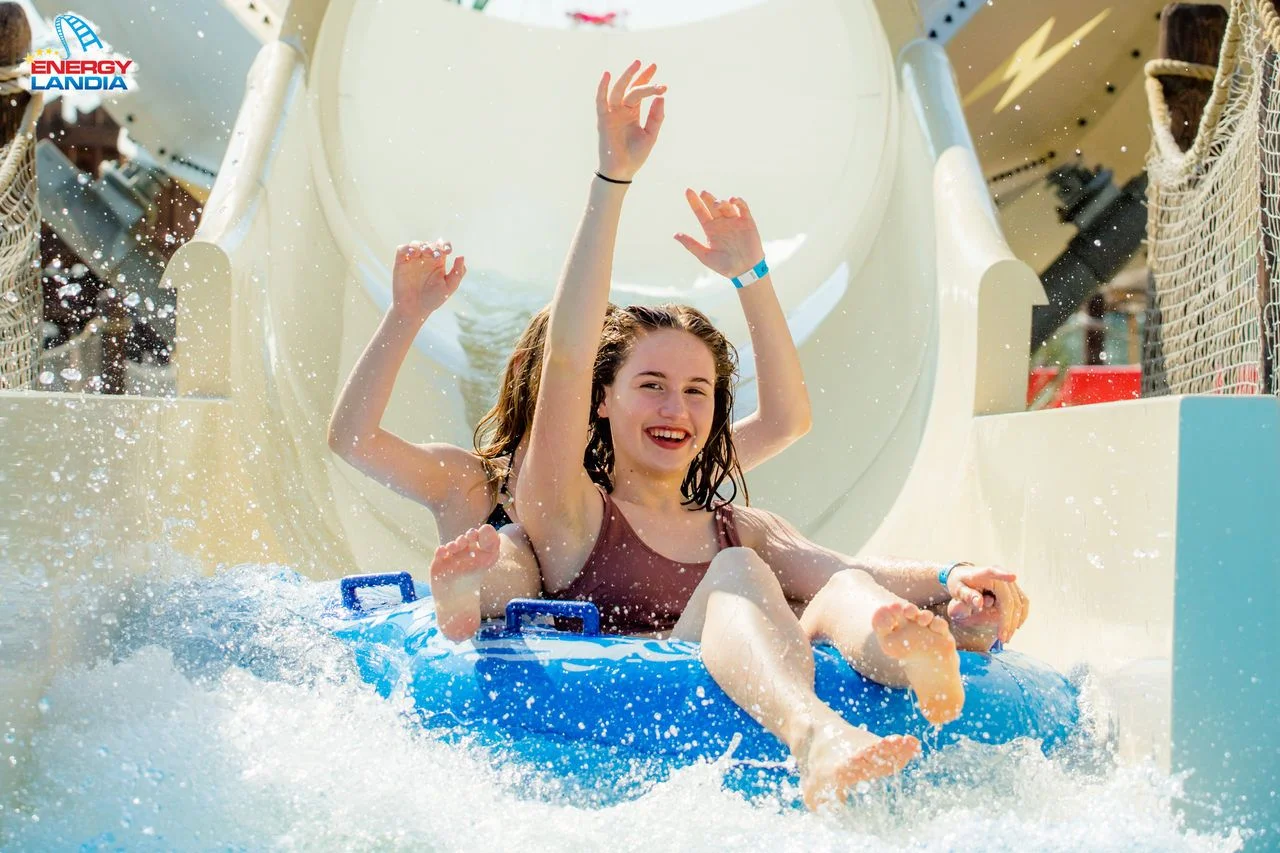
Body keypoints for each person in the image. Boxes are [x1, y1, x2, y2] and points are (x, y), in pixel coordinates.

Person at [515, 60, 1029, 810]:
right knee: (743, 574)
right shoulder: (567, 509)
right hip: (649, 708)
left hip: (760, 665)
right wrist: (612, 179)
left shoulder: (730, 520)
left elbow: (839, 557)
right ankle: (816, 735)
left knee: (843, 586)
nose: (677, 408)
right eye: (651, 385)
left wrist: (956, 578)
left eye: (698, 391)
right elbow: (566, 352)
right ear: (601, 401)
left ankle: (912, 654)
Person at [326, 192, 814, 640]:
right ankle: (468, 591)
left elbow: (783, 423)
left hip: (598, 667)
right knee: (512, 548)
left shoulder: (636, 482)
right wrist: (405, 315)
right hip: (493, 645)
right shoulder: (469, 482)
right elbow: (352, 439)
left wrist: (751, 274)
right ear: (527, 368)